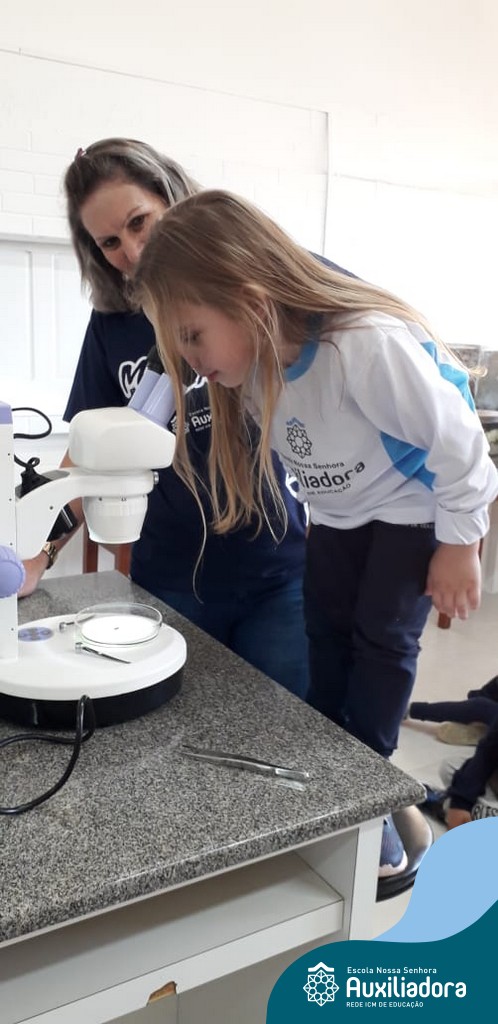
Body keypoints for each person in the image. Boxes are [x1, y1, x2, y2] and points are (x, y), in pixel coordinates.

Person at [132, 188, 498, 877]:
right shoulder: (255, 371)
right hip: (339, 512)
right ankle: (332, 752)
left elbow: (461, 446)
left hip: (411, 506)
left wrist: (460, 543)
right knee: (324, 628)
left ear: (247, 298)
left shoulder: (360, 345)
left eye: (192, 335)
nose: (188, 358)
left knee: (381, 638)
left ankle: (366, 773)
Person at [19, 139, 311, 698]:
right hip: (172, 577)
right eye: (109, 242)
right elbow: (91, 451)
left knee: (282, 723)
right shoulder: (111, 327)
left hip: (277, 573)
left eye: (139, 222)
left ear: (172, 198)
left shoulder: (249, 287)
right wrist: (40, 551)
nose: (132, 251)